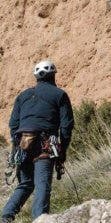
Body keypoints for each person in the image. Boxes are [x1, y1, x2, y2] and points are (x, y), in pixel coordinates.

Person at [1, 60, 74, 222]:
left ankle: (6, 216)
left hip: (23, 144)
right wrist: (62, 151)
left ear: (37, 77)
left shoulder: (23, 95)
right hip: (44, 143)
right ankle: (40, 219)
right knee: (42, 183)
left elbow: (13, 124)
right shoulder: (59, 94)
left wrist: (16, 144)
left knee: (26, 183)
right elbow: (66, 126)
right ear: (53, 75)